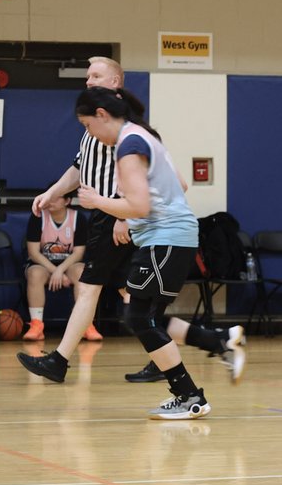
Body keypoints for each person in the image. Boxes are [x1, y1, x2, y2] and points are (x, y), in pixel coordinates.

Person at [16, 57, 240, 385]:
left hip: (119, 219)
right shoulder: (96, 124)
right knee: (134, 305)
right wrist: (53, 192)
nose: (89, 80)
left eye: (97, 75)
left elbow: (169, 181)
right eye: (87, 75)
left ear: (116, 82)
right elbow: (81, 168)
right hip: (111, 215)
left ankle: (59, 361)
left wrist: (126, 216)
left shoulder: (127, 127)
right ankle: (203, 343)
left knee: (92, 291)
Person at [66, 86, 240, 419]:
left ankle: (191, 395)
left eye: (88, 125)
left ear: (102, 115)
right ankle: (218, 343)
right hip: (167, 237)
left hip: (167, 237)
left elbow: (140, 205)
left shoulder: (130, 145)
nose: (88, 133)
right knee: (148, 317)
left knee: (139, 318)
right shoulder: (138, 137)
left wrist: (97, 202)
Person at [22, 187, 88, 341]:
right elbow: (33, 252)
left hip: (69, 265)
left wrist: (61, 270)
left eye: (56, 197)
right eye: (49, 197)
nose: (50, 201)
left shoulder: (79, 218)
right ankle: (37, 325)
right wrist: (55, 271)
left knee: (82, 272)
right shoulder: (38, 217)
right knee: (35, 273)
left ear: (67, 201)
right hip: (43, 264)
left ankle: (85, 325)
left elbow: (79, 253)